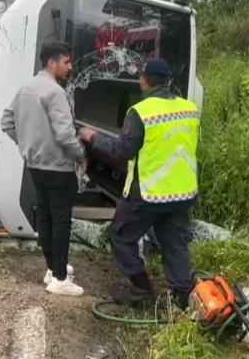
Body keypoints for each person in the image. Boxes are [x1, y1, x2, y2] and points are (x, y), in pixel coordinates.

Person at [79, 58, 200, 308]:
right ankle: (183, 297)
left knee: (121, 236)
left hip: (149, 193)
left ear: (144, 80)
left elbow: (123, 150)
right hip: (182, 192)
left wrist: (93, 137)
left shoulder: (140, 112)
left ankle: (142, 289)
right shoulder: (189, 109)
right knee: (174, 243)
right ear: (168, 81)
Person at [1, 41, 87, 297]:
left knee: (46, 218)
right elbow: (64, 134)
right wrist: (80, 154)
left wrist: (26, 143)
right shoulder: (55, 92)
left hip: (35, 166)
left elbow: (6, 122)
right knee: (61, 221)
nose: (70, 67)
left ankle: (52, 268)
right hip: (59, 168)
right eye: (66, 62)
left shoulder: (26, 88)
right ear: (52, 63)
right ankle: (60, 279)